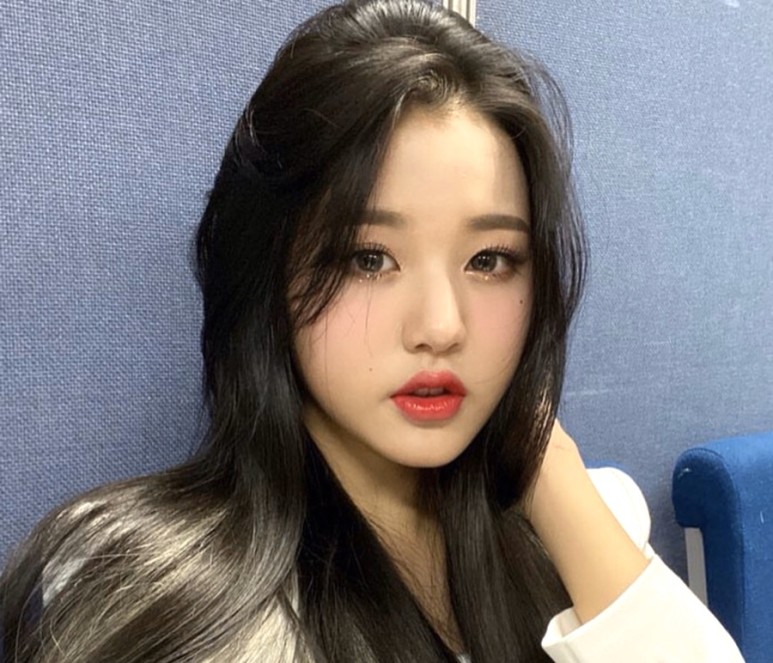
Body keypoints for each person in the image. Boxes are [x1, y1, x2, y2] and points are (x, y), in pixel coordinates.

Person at [0, 1, 745, 661]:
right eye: (368, 258)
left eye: (489, 260)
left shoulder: (584, 528)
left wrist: (547, 462)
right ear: (269, 271)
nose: (440, 326)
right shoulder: (165, 600)